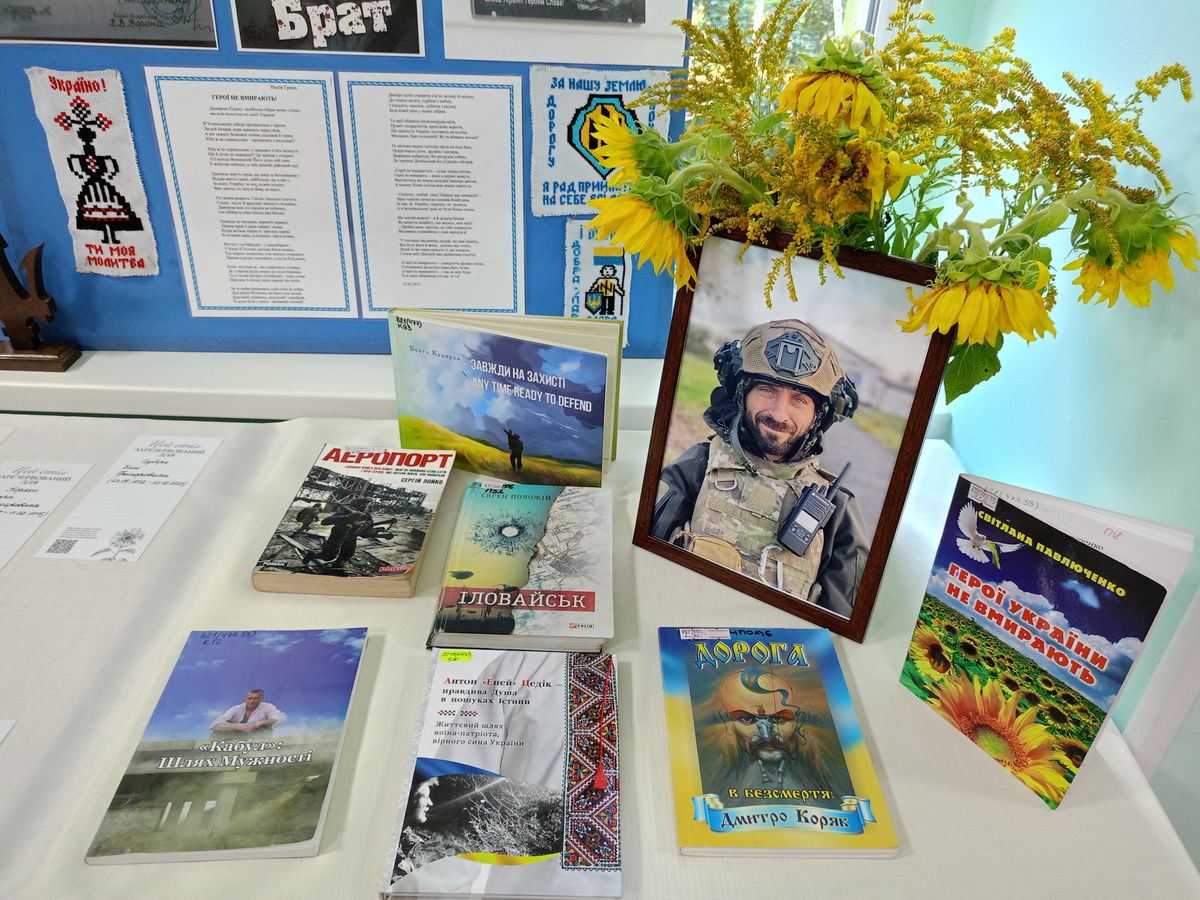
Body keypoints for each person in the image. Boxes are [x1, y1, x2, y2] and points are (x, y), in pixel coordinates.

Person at [650, 319, 869, 616]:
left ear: (818, 416)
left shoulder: (838, 510)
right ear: (742, 393)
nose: (779, 414)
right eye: (767, 389)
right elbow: (646, 566)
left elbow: (840, 626)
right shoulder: (696, 467)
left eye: (799, 400)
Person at [210, 688, 287, 734]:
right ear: (246, 699)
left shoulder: (268, 707)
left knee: (263, 728)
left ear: (261, 698)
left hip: (258, 738)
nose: (252, 701)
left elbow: (279, 718)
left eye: (255, 698)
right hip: (238, 736)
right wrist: (242, 727)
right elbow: (215, 725)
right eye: (249, 698)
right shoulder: (236, 708)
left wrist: (260, 723)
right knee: (218, 731)